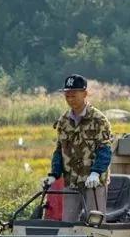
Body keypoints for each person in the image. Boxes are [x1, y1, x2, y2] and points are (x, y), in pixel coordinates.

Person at [42, 74, 114, 223]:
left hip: (94, 182)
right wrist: (54, 174)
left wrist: (96, 172)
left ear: (85, 94)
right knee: (68, 223)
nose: (70, 99)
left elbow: (105, 149)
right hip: (72, 181)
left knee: (95, 223)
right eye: (67, 96)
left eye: (74, 95)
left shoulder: (98, 120)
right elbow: (59, 150)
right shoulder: (63, 121)